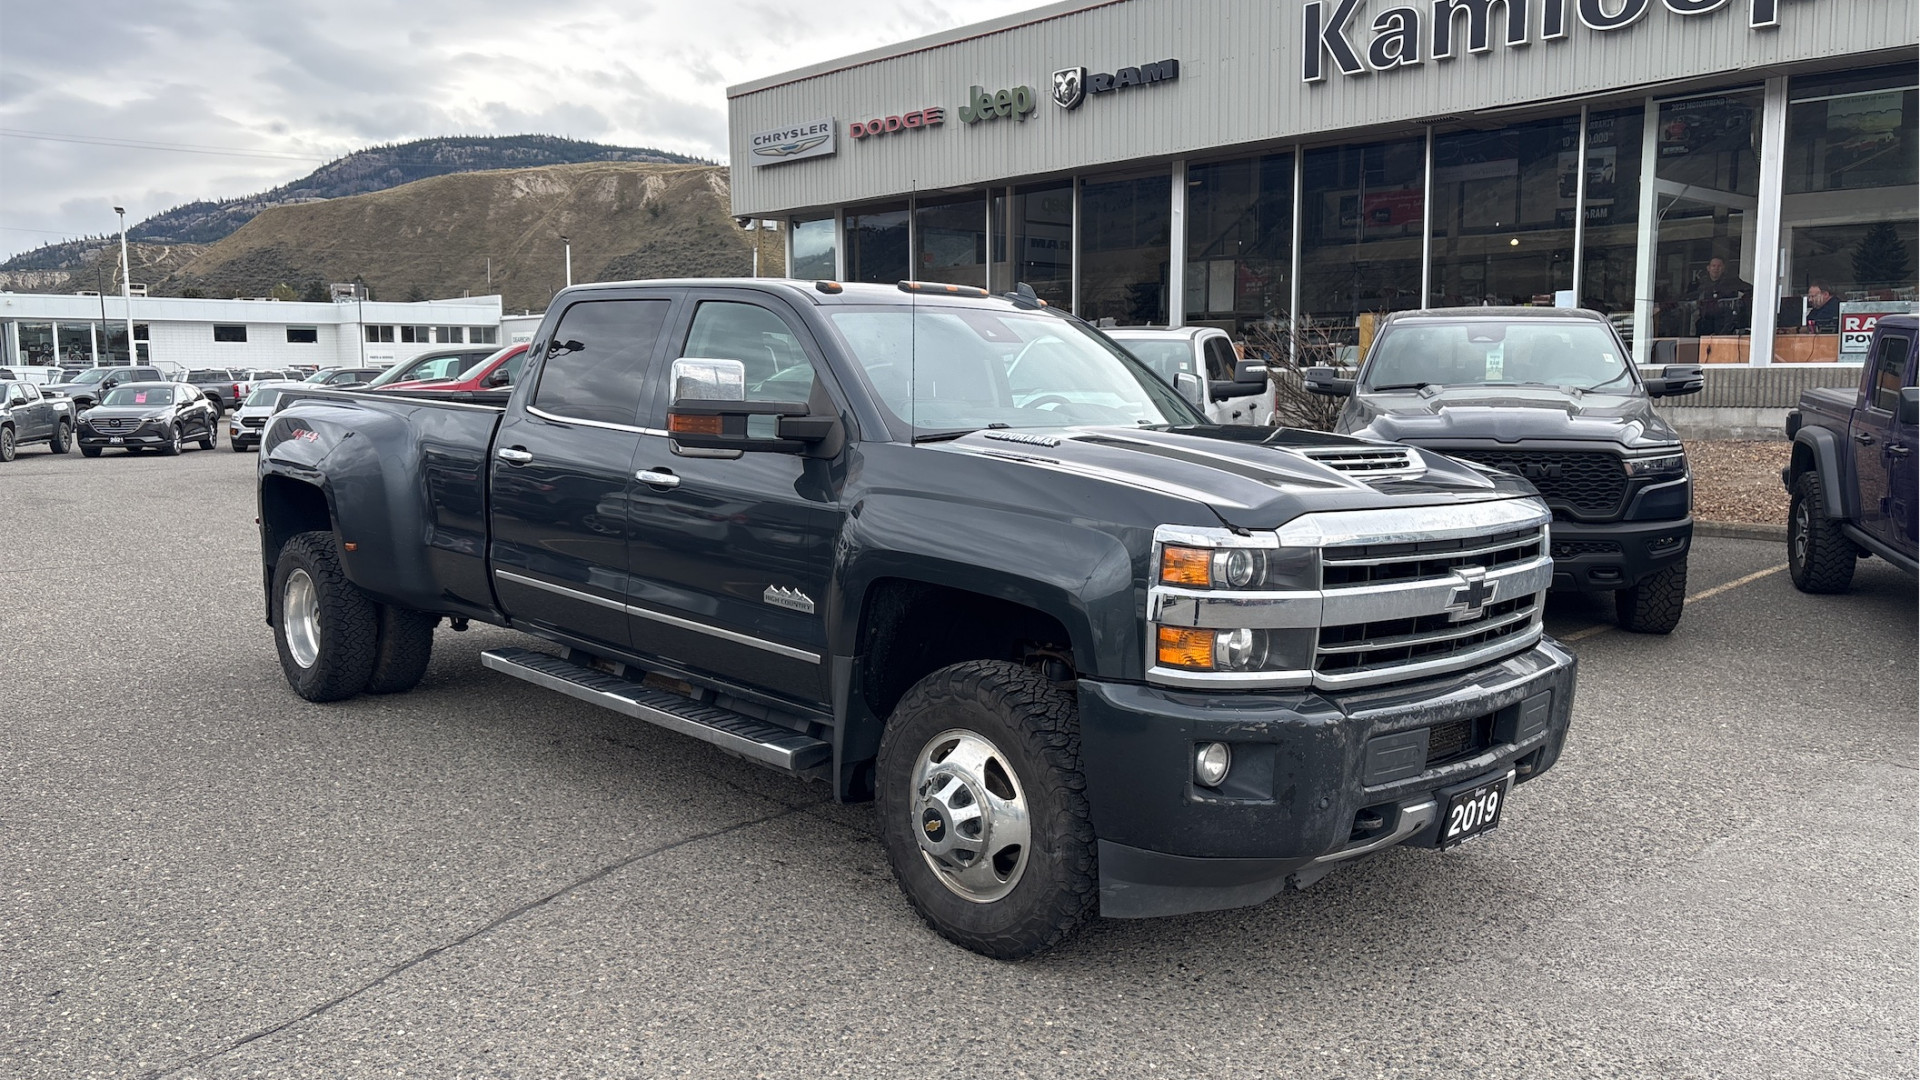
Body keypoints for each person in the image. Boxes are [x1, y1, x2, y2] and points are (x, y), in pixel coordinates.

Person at [1694, 257, 1752, 335]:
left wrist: (1741, 303)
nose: (1716, 269)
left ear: (1723, 268)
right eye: (1713, 266)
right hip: (1706, 322)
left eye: (1719, 266)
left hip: (1725, 324)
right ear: (1708, 268)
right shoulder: (1702, 284)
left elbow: (1750, 290)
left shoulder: (1731, 282)